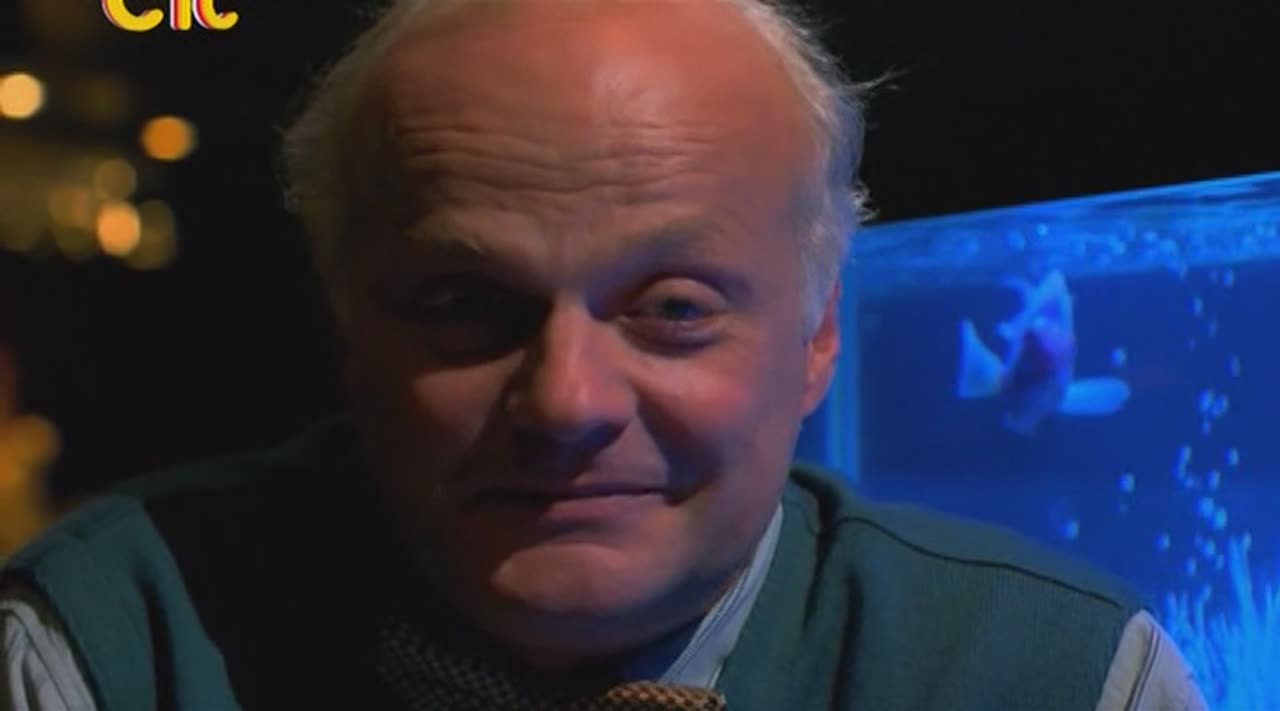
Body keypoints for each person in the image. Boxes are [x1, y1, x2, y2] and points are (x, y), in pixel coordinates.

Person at [0, 0, 1208, 709]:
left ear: (817, 337)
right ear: (345, 329)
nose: (565, 400)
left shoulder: (1060, 679)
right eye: (466, 305)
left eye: (673, 308)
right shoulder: (102, 650)